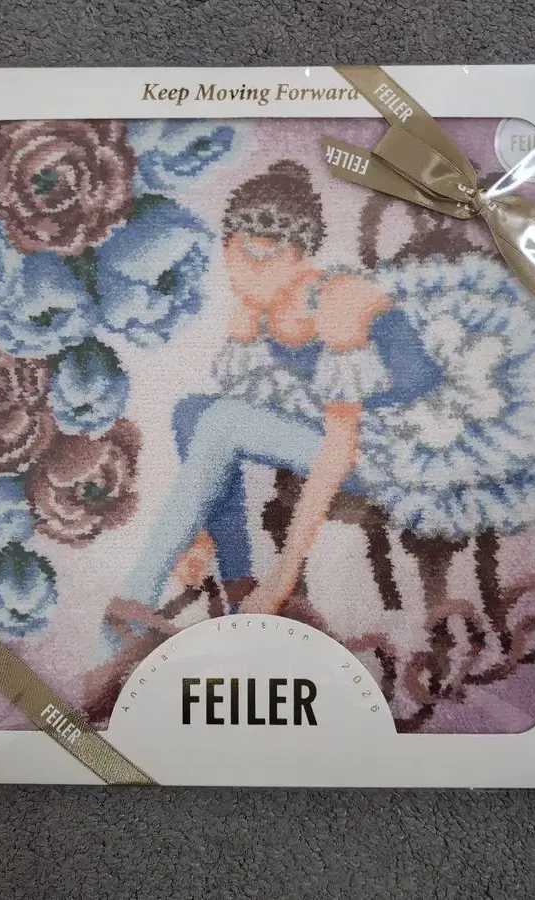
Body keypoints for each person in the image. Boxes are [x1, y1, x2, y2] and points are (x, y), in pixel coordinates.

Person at [107, 160, 438, 629]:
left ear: (299, 256)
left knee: (222, 421)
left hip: (399, 448)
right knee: (193, 412)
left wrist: (283, 576)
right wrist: (198, 534)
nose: (244, 273)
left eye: (263, 257)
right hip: (330, 432)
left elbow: (339, 449)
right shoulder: (254, 307)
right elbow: (216, 445)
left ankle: (137, 594)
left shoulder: (338, 300)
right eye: (236, 254)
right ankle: (238, 582)